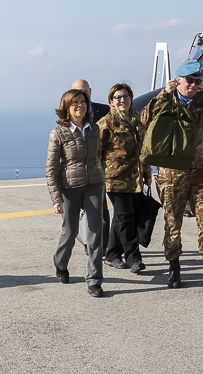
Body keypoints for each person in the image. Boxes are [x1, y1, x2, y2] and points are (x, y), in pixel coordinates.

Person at [141, 59, 203, 289]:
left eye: (197, 81)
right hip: (172, 175)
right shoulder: (166, 98)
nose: (193, 85)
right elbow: (143, 119)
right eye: (189, 81)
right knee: (173, 224)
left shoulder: (202, 99)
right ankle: (174, 269)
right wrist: (164, 92)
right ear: (178, 80)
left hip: (199, 173)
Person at [46, 89, 107, 297]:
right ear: (66, 107)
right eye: (75, 103)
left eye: (83, 102)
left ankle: (94, 281)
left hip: (95, 185)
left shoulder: (94, 129)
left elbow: (99, 157)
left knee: (95, 232)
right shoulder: (58, 132)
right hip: (69, 187)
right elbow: (51, 168)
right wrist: (56, 198)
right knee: (70, 232)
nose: (80, 105)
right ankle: (60, 263)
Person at [98, 83, 152, 274]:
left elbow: (143, 150)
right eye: (118, 97)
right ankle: (133, 258)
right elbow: (96, 153)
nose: (122, 100)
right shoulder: (106, 123)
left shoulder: (137, 119)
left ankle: (112, 254)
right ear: (111, 102)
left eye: (126, 96)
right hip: (114, 179)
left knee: (121, 217)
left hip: (134, 178)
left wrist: (147, 174)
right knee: (126, 217)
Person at [71, 79, 110, 254]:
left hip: (102, 168)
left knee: (101, 208)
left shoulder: (105, 110)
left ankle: (104, 244)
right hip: (78, 170)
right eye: (77, 92)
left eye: (84, 92)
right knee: (84, 209)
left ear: (90, 91)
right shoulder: (68, 113)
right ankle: (89, 242)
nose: (81, 95)